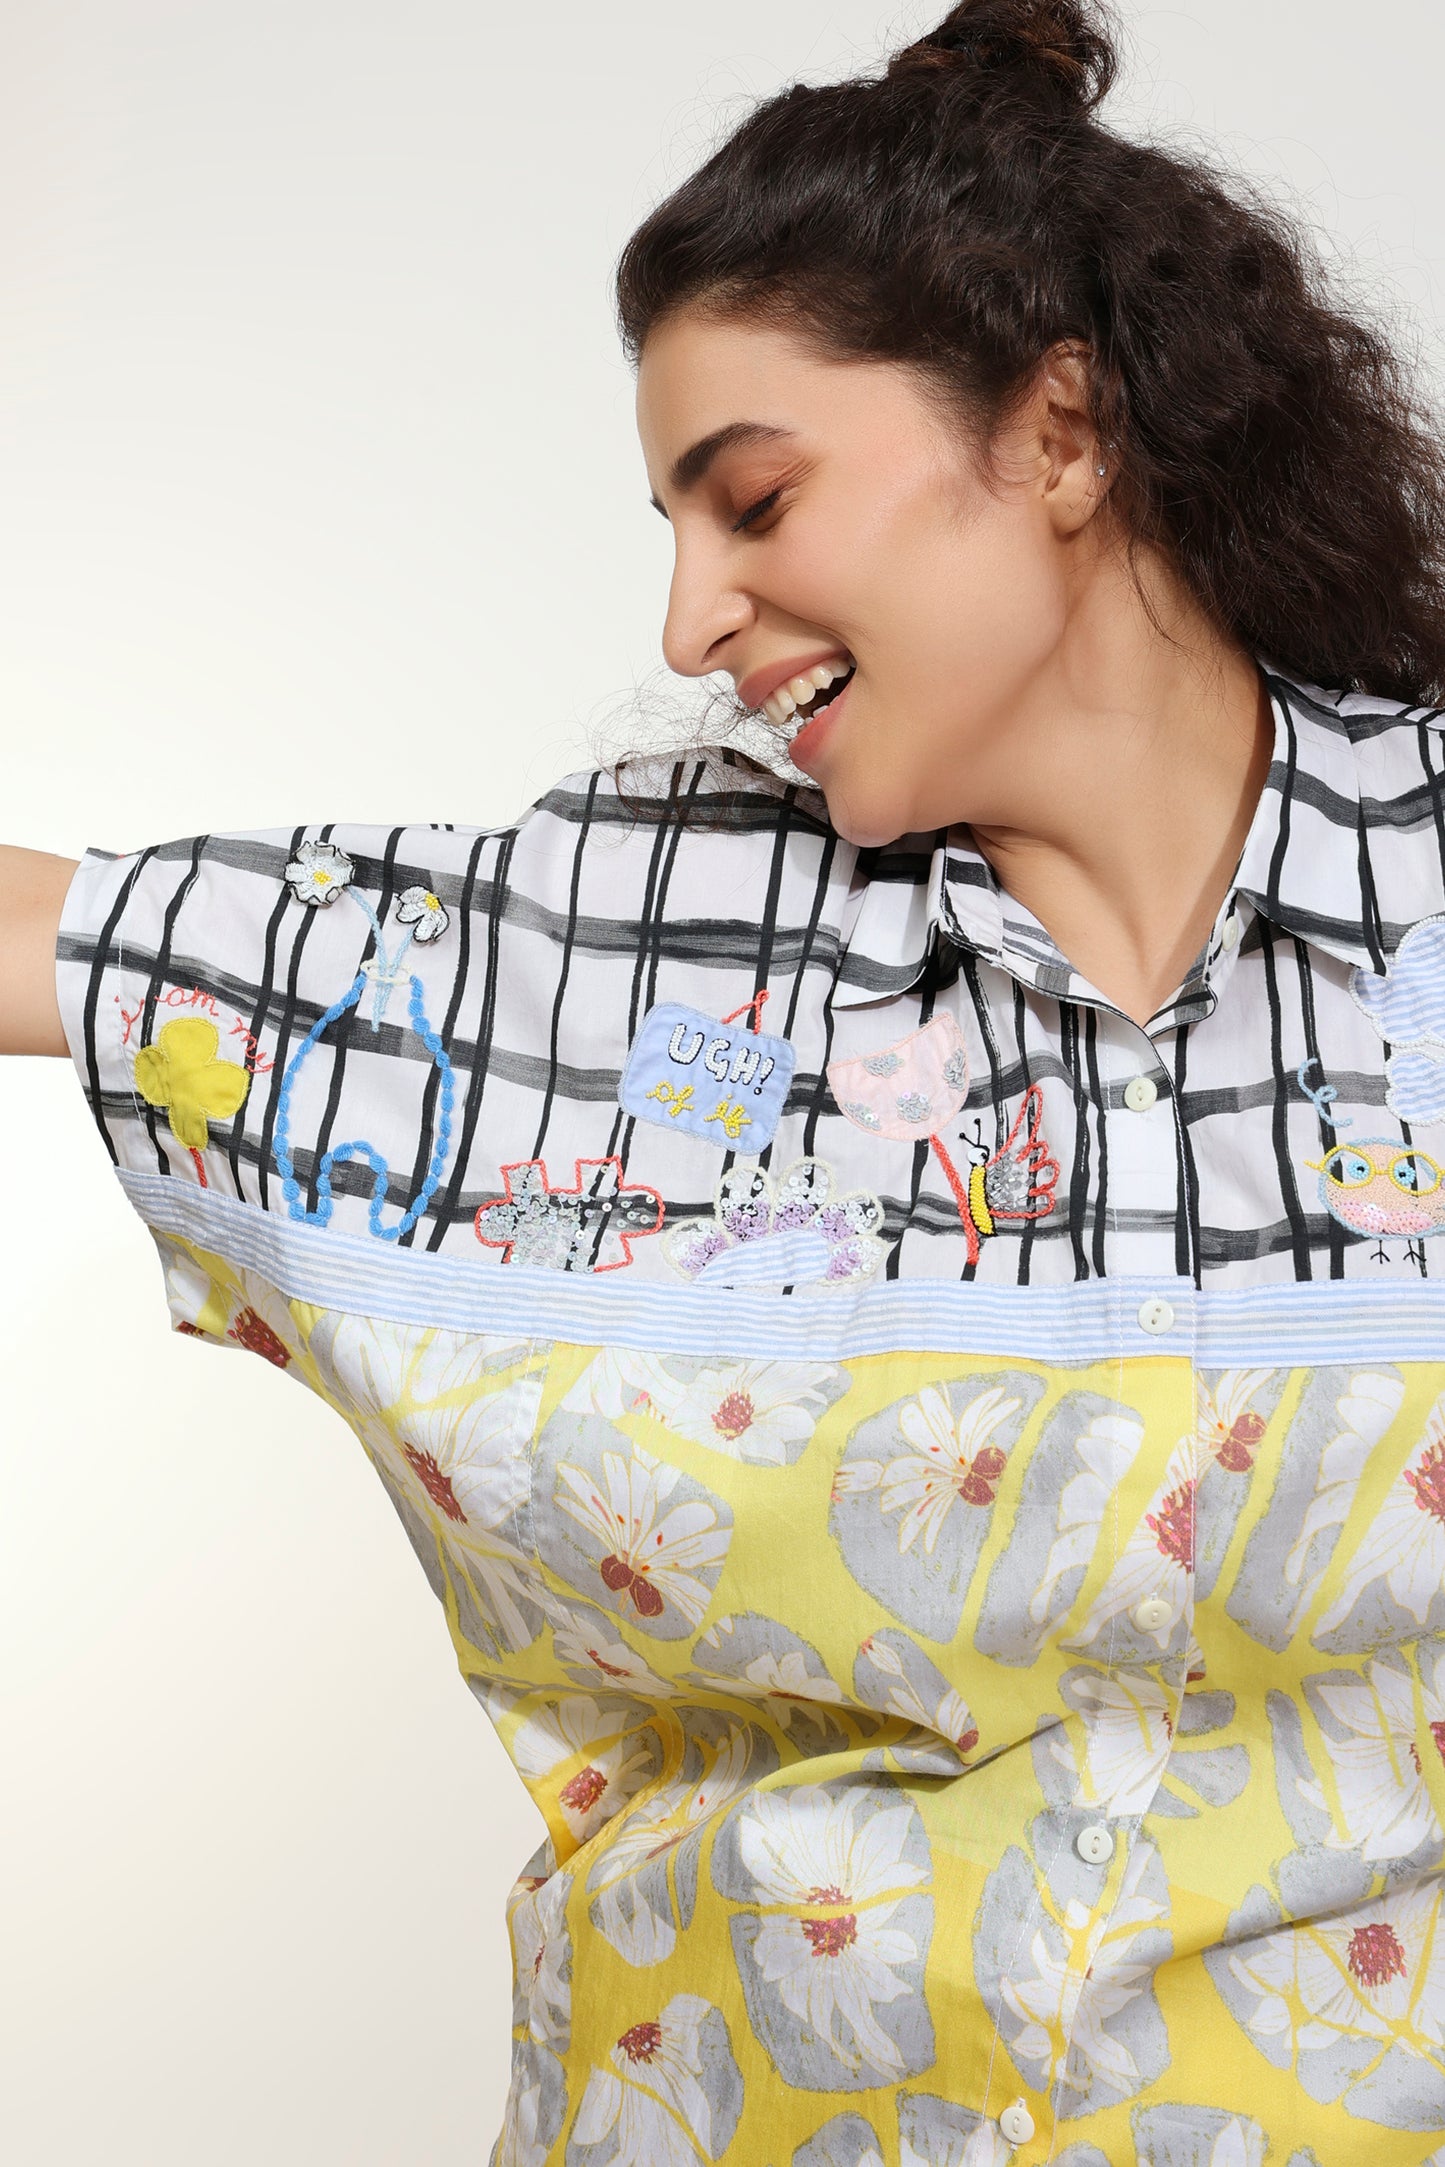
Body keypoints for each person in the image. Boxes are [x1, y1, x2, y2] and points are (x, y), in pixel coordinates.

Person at [5, 0, 1445, 2158]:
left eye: (754, 499)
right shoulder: (621, 937)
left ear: (1062, 433)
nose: (691, 618)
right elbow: (81, 939)